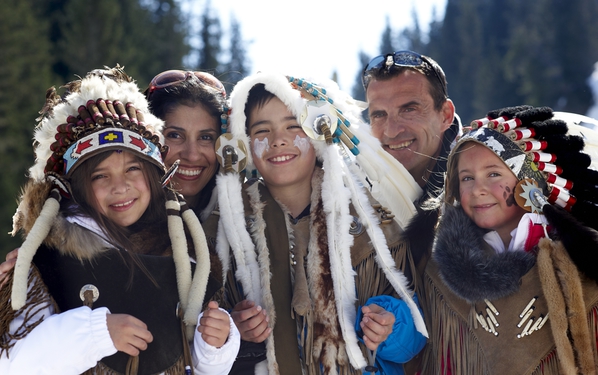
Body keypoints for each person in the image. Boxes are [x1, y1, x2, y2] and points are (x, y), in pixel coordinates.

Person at [0, 67, 240, 374]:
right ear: (76, 187)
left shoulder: (192, 254)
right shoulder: (51, 263)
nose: (120, 187)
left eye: (133, 170)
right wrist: (95, 334)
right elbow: (14, 362)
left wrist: (216, 346)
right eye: (100, 175)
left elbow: (191, 361)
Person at [210, 72, 428, 374]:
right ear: (243, 142)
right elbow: (205, 336)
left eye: (293, 126)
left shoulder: (369, 220)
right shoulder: (230, 233)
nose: (278, 140)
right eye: (262, 130)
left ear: (320, 131)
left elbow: (419, 322)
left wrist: (391, 327)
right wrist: (235, 332)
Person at [417, 105, 598, 374]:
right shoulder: (435, 273)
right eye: (466, 178)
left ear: (529, 183)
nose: (477, 189)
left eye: (493, 174)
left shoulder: (581, 260)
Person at [144, 70, 227, 221]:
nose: (192, 155)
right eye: (174, 135)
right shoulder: (114, 227)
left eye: (205, 137)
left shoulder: (246, 221)